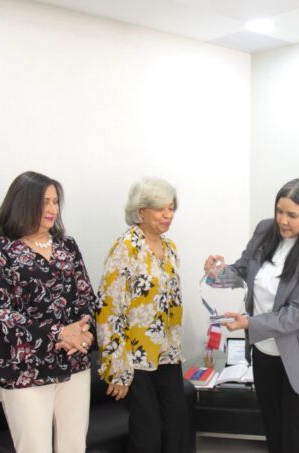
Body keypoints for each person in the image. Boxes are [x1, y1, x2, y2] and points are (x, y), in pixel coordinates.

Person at [205, 178, 299, 453]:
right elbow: (242, 270)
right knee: (275, 433)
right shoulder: (265, 230)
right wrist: (218, 274)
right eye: (279, 211)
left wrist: (250, 323)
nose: (283, 220)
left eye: (292, 215)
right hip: (266, 353)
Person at [0, 171, 96, 453]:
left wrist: (84, 333)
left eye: (56, 202)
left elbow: (85, 298)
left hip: (73, 361)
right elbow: (0, 313)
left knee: (74, 446)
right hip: (24, 368)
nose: (52, 209)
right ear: (24, 203)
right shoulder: (0, 251)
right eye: (45, 201)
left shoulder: (67, 246)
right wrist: (59, 333)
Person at [95, 177, 187, 453]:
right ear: (141, 211)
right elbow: (109, 309)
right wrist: (116, 369)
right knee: (147, 436)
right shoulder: (126, 248)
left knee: (177, 430)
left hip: (168, 354)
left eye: (171, 208)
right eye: (160, 209)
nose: (168, 215)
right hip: (135, 358)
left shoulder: (170, 248)